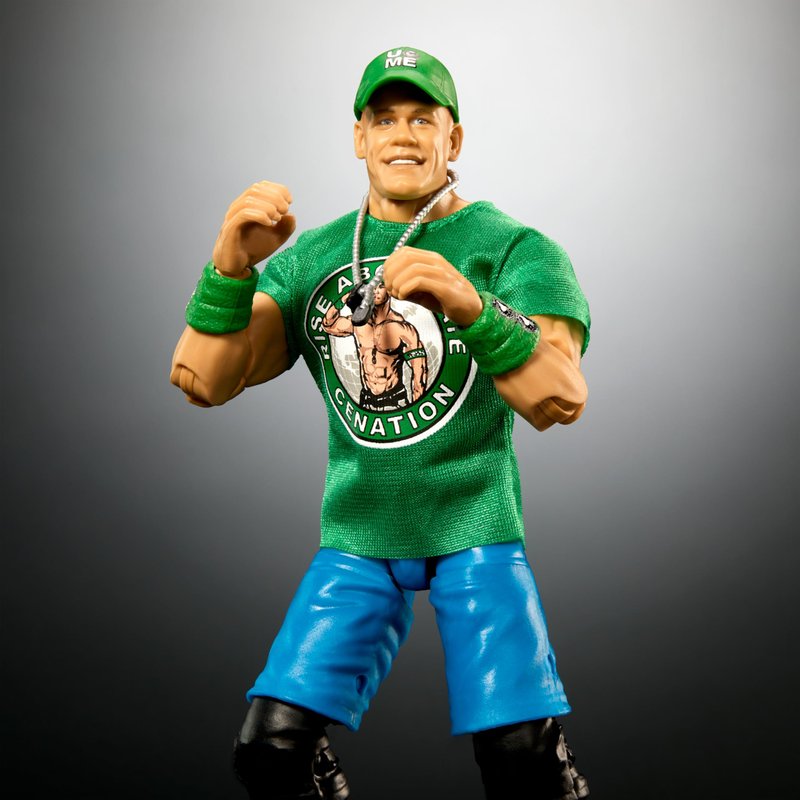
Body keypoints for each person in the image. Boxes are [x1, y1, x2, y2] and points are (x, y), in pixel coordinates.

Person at [172, 46, 591, 800]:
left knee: (522, 763)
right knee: (271, 753)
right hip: (361, 535)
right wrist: (228, 269)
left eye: (422, 119)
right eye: (384, 118)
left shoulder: (515, 250)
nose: (402, 135)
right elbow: (204, 380)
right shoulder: (316, 257)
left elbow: (559, 397)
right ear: (359, 136)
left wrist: (471, 306)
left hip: (475, 529)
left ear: (453, 139)